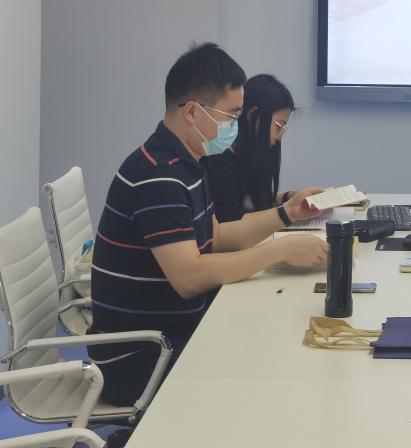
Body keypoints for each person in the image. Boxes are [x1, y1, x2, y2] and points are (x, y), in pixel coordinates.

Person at [88, 43, 329, 407]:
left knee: (275, 337)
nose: (236, 125)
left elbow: (216, 236)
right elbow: (190, 278)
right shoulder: (158, 176)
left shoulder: (188, 162)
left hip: (173, 336)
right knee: (273, 365)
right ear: (192, 112)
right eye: (231, 115)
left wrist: (288, 213)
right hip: (140, 359)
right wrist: (278, 250)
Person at [206, 74, 322, 222]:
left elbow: (255, 201)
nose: (279, 137)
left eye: (283, 128)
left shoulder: (249, 154)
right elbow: (230, 221)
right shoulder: (218, 161)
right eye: (279, 126)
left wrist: (289, 197)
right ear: (252, 116)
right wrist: (289, 211)